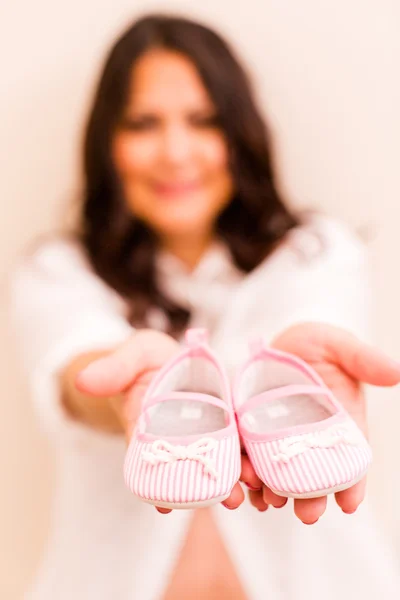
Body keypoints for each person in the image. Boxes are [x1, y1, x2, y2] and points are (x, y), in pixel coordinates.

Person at [9, 13, 400, 600]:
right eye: (143, 124)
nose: (175, 152)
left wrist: (305, 365)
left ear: (239, 134)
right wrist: (121, 392)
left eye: (204, 121)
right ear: (106, 142)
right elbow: (73, 371)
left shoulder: (314, 252)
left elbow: (320, 316)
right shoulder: (58, 271)